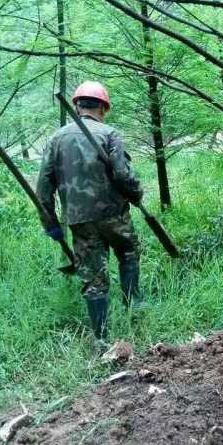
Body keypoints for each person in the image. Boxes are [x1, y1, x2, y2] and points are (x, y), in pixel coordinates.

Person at [37, 81, 144, 343]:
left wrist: (51, 222)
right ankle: (134, 308)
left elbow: (43, 187)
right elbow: (123, 174)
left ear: (76, 105)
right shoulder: (109, 134)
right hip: (114, 215)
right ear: (104, 108)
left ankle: (102, 339)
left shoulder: (56, 139)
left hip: (79, 220)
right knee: (128, 253)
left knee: (93, 278)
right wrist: (137, 193)